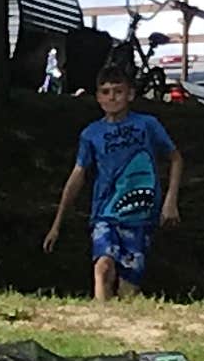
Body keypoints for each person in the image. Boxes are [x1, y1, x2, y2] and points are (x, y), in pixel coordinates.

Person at [43, 61, 183, 300]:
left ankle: (123, 325)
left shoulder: (147, 125)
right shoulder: (91, 134)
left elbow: (176, 158)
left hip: (140, 216)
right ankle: (101, 316)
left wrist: (171, 201)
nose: (112, 98)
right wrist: (57, 223)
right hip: (105, 213)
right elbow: (78, 174)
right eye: (105, 92)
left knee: (129, 288)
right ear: (98, 97)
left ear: (130, 94)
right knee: (103, 266)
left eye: (118, 92)